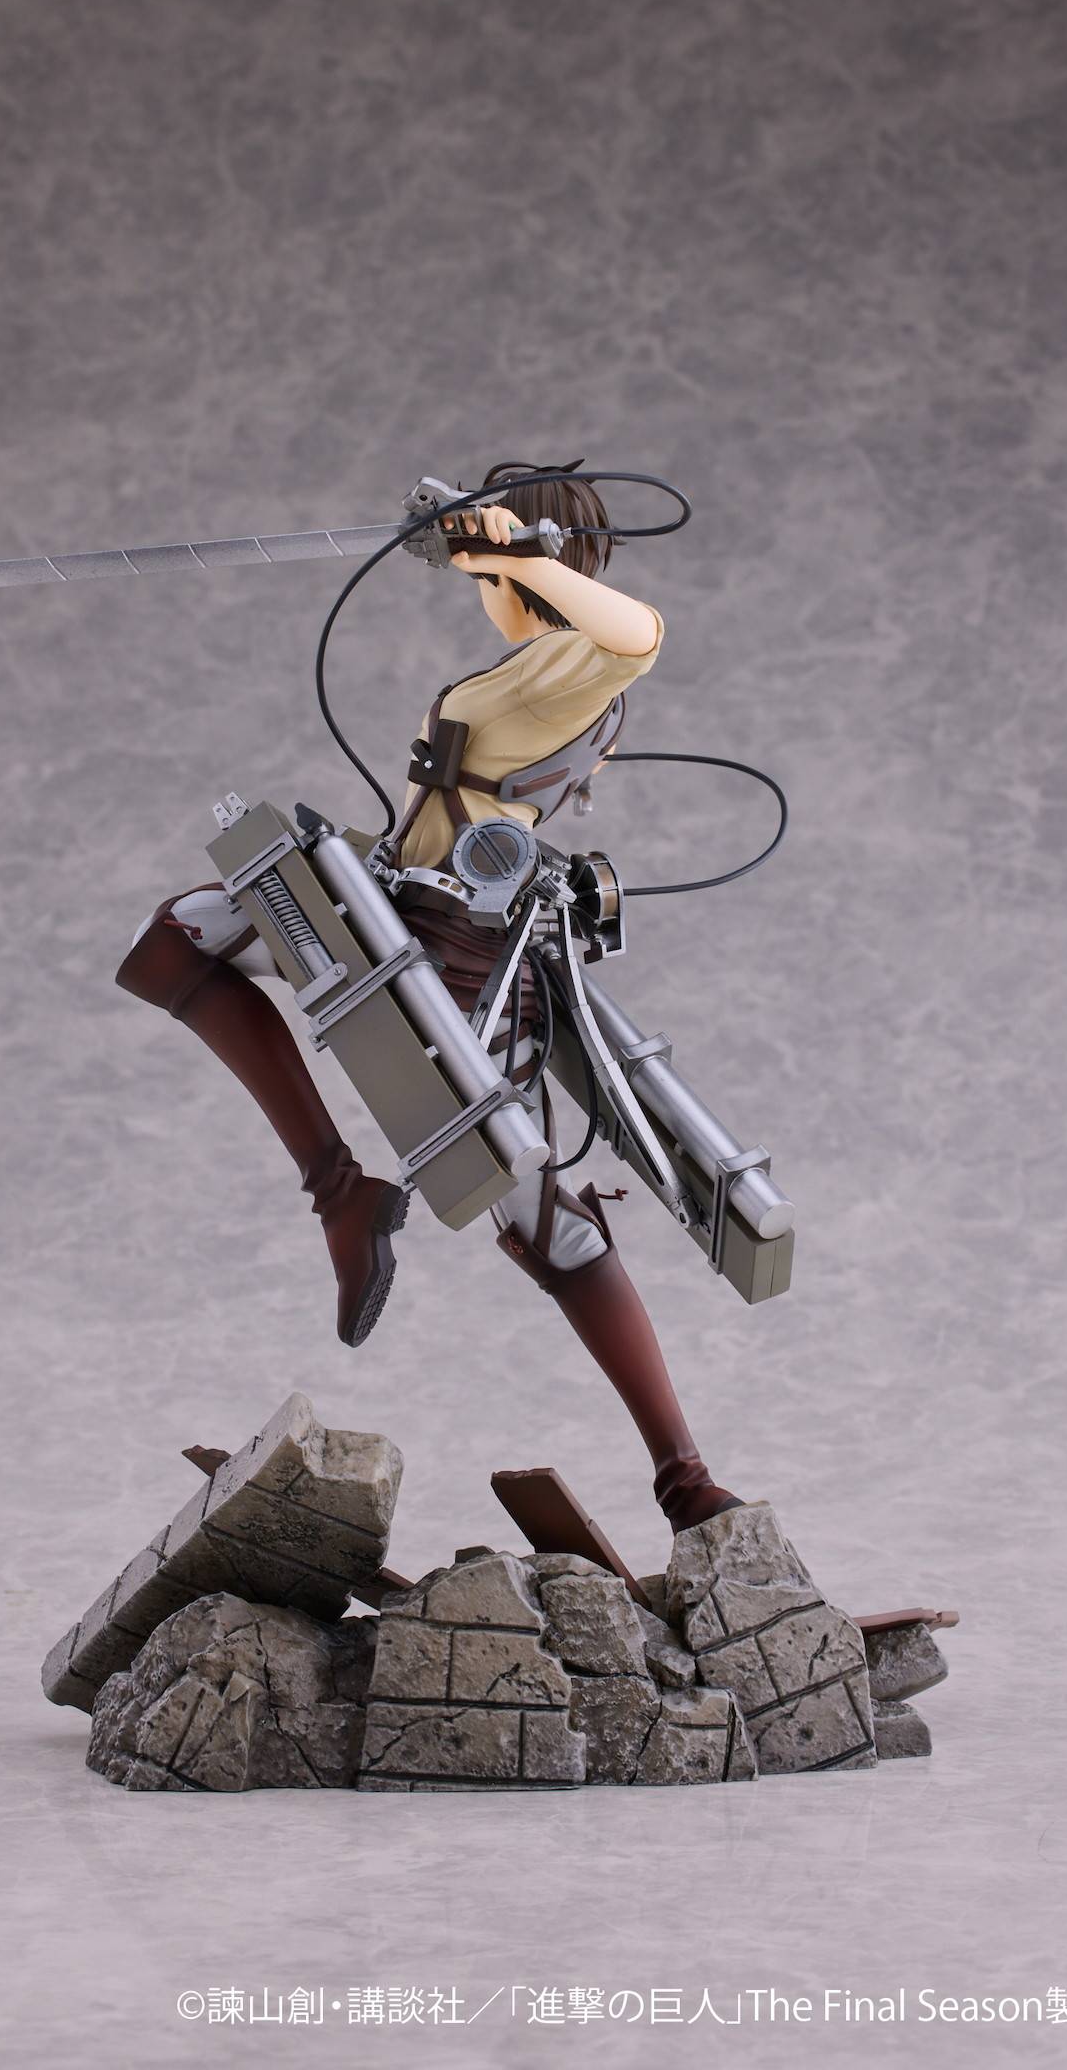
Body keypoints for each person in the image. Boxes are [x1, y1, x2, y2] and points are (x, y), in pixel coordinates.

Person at [116, 464, 741, 1532]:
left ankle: (685, 1481)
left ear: (535, 561)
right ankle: (342, 1196)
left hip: (445, 950)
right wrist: (478, 546)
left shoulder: (577, 660)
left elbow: (639, 631)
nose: (480, 589)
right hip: (398, 909)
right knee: (179, 941)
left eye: (490, 574)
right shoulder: (542, 661)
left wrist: (508, 547)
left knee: (546, 1225)